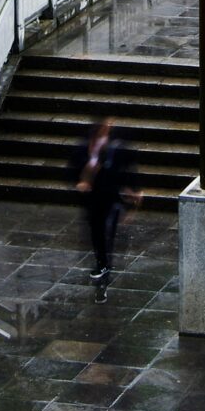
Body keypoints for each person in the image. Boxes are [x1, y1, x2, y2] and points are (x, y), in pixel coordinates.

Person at [75, 116, 140, 296]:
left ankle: (103, 263)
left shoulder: (115, 147)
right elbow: (75, 167)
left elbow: (126, 168)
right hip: (93, 196)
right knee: (96, 229)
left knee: (106, 229)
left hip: (109, 194)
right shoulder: (86, 147)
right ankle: (102, 261)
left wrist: (133, 189)